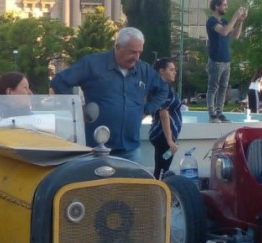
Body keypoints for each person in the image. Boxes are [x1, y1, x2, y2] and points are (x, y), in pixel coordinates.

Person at [50, 27, 168, 163]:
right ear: (118, 47)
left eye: (139, 52)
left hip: (130, 149)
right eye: (132, 52)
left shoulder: (144, 70)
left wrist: (147, 110)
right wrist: (76, 109)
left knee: (132, 185)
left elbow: (163, 90)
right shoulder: (92, 64)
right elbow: (59, 82)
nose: (136, 57)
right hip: (96, 150)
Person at [206, 0, 247, 123]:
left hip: (226, 60)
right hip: (215, 60)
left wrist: (240, 21)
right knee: (213, 87)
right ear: (217, 6)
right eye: (224, 5)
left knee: (223, 88)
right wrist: (235, 16)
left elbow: (235, 35)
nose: (226, 7)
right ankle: (212, 114)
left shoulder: (224, 21)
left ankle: (220, 113)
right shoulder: (211, 21)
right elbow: (223, 31)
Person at [149, 58, 182, 180]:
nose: (175, 72)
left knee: (160, 169)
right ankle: (159, 195)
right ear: (162, 71)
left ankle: (158, 194)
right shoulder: (163, 88)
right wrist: (169, 141)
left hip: (163, 136)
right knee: (162, 171)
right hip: (162, 136)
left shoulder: (163, 87)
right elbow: (163, 114)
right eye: (171, 69)